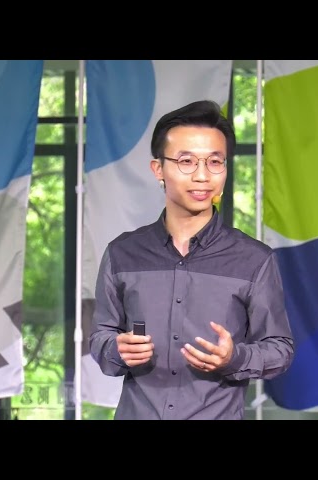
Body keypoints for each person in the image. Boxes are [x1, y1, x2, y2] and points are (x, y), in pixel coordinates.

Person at [89, 99, 294, 420]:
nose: (202, 176)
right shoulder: (122, 253)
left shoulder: (254, 259)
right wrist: (117, 349)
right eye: (186, 161)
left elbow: (280, 349)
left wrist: (235, 358)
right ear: (158, 169)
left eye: (215, 162)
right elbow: (101, 337)